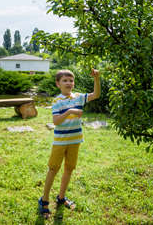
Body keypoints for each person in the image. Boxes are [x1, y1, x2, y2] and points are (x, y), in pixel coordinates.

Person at [38, 68, 100, 218]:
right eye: (64, 80)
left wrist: (96, 78)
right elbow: (56, 121)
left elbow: (96, 95)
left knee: (69, 169)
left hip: (75, 140)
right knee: (53, 169)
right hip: (60, 142)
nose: (68, 83)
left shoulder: (78, 97)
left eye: (71, 80)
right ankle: (44, 200)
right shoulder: (57, 101)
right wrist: (70, 111)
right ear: (58, 84)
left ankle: (61, 197)